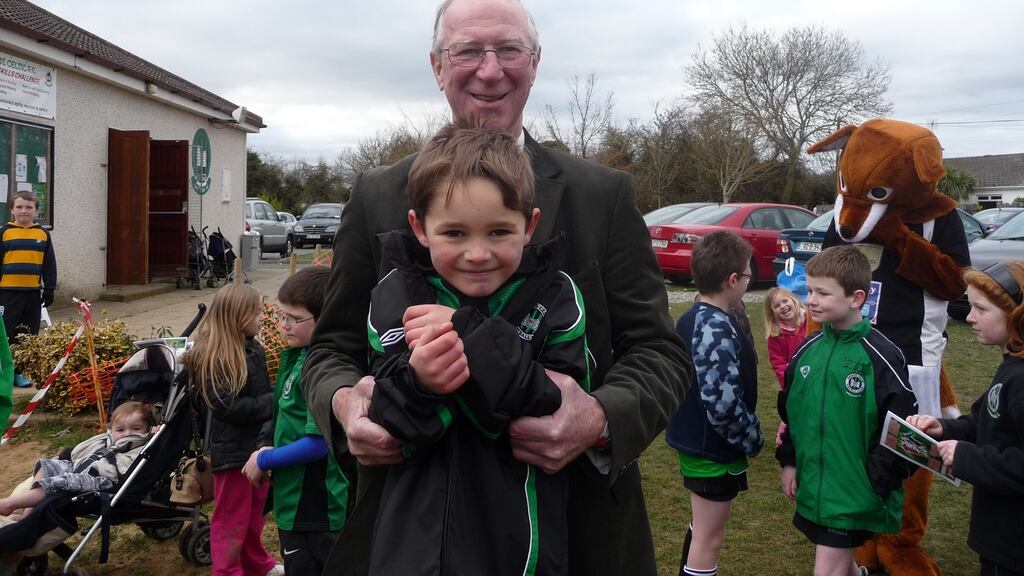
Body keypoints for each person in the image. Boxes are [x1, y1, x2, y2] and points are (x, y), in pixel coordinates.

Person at [302, 1, 689, 574]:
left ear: (534, 63)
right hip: (410, 537)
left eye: (509, 50)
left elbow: (660, 354)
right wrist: (342, 404)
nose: (490, 70)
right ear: (437, 65)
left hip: (576, 535)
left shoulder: (600, 197)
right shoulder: (380, 193)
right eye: (467, 51)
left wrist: (599, 417)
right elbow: (329, 349)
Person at [362, 124, 588, 575]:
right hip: (411, 547)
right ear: (419, 228)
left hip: (518, 547)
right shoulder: (395, 294)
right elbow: (388, 419)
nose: (478, 253)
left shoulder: (556, 296)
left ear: (531, 226)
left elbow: (546, 405)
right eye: (455, 234)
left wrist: (466, 331)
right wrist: (421, 384)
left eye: (500, 231)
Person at [777, 245, 917, 576]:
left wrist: (873, 481)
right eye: (809, 290)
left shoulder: (882, 356)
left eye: (823, 293)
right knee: (840, 564)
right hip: (816, 485)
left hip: (856, 491)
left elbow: (902, 430)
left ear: (856, 298)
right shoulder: (807, 351)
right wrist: (790, 461)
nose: (810, 300)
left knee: (827, 570)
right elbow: (791, 414)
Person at [908, 262, 1024, 576]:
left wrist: (967, 457)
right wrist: (945, 427)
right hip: (1000, 537)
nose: (969, 317)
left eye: (980, 309)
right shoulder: (1011, 365)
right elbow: (990, 421)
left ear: (1016, 314)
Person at [241, 266, 351, 576]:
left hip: (315, 507)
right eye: (280, 315)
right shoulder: (296, 358)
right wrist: (264, 445)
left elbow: (318, 443)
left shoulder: (320, 371)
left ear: (326, 318)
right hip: (294, 502)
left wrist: (266, 459)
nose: (282, 325)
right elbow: (282, 417)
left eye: (294, 319)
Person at [666, 231, 763, 576]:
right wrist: (752, 437)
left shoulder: (695, 316)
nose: (749, 280)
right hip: (710, 450)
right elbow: (722, 405)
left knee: (701, 530)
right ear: (733, 279)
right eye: (748, 274)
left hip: (701, 445)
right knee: (709, 538)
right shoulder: (714, 327)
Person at [183, 283, 283, 576]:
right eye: (256, 312)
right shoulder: (215, 358)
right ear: (236, 316)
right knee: (231, 519)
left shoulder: (254, 349)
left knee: (255, 514)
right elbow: (227, 408)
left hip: (256, 448)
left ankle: (256, 563)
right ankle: (227, 570)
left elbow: (261, 396)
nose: (262, 317)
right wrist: (273, 401)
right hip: (232, 455)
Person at [0, 401, 155, 517]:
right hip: (81, 467)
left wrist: (155, 434)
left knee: (58, 483)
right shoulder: (105, 440)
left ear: (147, 429)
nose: (128, 433)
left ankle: (10, 504)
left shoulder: (143, 445)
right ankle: (29, 512)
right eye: (120, 429)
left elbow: (153, 446)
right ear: (111, 430)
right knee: (47, 465)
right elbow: (82, 448)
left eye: (136, 428)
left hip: (101, 480)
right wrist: (62, 457)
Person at [0, 191, 57, 388]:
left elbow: (49, 264)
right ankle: (5, 371)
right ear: (12, 210)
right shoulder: (5, 232)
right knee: (6, 333)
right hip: (7, 293)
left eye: (28, 207)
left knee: (28, 334)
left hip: (32, 293)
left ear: (36, 210)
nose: (24, 211)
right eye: (19, 207)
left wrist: (49, 289)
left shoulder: (42, 234)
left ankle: (20, 372)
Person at [763, 286, 808, 446]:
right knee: (793, 409)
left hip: (814, 374)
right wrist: (788, 382)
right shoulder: (776, 335)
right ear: (772, 313)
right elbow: (778, 363)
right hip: (793, 381)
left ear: (794, 300)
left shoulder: (810, 322)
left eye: (785, 300)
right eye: (777, 305)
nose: (783, 306)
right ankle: (786, 435)